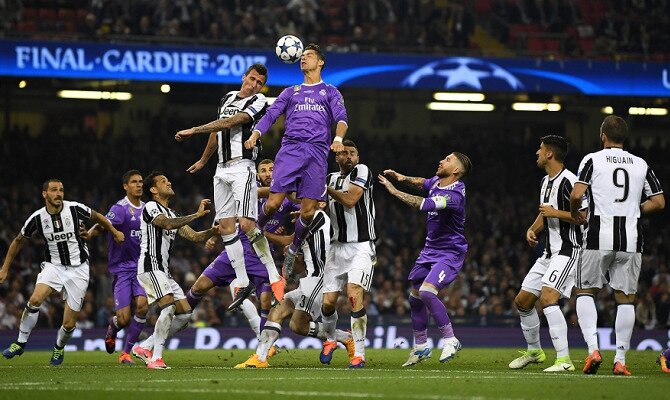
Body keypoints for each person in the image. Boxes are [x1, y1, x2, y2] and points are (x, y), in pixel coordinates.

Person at [174, 63, 286, 309]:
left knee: (246, 224)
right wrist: (204, 160)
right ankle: (243, 281)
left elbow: (231, 122)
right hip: (221, 168)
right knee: (225, 227)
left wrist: (194, 130)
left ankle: (274, 274)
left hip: (243, 166)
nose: (254, 84)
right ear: (244, 76)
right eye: (252, 79)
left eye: (259, 82)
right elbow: (217, 132)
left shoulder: (259, 101)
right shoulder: (227, 97)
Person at [570, 115, 664, 376]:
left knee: (585, 291)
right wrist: (635, 210)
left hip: (598, 237)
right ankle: (620, 360)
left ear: (602, 136)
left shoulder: (592, 159)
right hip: (631, 241)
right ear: (625, 138)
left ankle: (593, 350)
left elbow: (577, 194)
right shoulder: (641, 163)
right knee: (625, 300)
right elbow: (659, 201)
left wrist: (576, 212)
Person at [244, 44, 348, 277]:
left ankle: (292, 249)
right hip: (291, 149)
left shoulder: (330, 91)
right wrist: (255, 133)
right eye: (301, 57)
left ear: (320, 62)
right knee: (271, 204)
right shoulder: (291, 92)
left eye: (308, 56)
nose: (303, 59)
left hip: (318, 151)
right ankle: (255, 233)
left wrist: (339, 138)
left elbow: (341, 117)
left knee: (309, 212)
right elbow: (271, 114)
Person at [0, 179, 125, 366]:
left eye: (61, 190)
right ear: (45, 194)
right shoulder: (37, 218)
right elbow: (18, 241)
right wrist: (5, 268)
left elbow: (98, 216)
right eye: (53, 190)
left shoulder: (75, 208)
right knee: (35, 300)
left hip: (79, 269)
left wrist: (114, 231)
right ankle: (20, 343)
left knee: (68, 324)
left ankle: (59, 347)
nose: (58, 194)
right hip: (54, 266)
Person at [378, 151, 472, 367]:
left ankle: (450, 340)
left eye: (448, 160)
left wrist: (395, 190)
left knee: (427, 291)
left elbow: (425, 205)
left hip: (450, 251)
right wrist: (403, 178)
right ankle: (421, 347)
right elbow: (424, 183)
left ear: (456, 171)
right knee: (415, 297)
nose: (441, 160)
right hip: (430, 250)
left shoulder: (454, 196)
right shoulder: (438, 182)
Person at [235, 208, 355, 368]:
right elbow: (299, 267)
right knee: (278, 312)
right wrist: (290, 254)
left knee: (297, 325)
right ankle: (260, 358)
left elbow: (289, 241)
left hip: (321, 279)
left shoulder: (318, 217)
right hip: (308, 279)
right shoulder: (305, 224)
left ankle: (343, 337)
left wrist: (260, 233)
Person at [508, 136, 585, 372]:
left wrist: (554, 212)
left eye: (540, 149)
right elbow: (545, 213)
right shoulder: (545, 181)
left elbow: (583, 217)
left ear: (550, 153)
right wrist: (533, 228)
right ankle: (535, 351)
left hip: (568, 250)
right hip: (549, 253)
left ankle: (564, 360)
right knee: (522, 301)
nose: (536, 153)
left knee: (548, 297)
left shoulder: (570, 181)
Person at [133, 171, 218, 369]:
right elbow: (165, 224)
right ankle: (156, 358)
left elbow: (195, 237)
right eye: (163, 181)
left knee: (185, 314)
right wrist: (196, 215)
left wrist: (212, 232)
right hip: (150, 266)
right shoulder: (151, 207)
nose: (169, 182)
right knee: (169, 306)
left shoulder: (172, 213)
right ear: (153, 190)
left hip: (163, 270)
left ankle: (144, 347)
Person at [319, 140, 376, 368]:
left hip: (361, 245)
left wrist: (324, 190)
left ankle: (359, 353)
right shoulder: (330, 178)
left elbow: (351, 200)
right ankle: (331, 340)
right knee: (327, 304)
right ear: (337, 158)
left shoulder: (362, 171)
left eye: (353, 153)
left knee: (353, 294)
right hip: (334, 247)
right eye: (345, 153)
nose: (350, 156)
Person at [85, 170, 148, 364]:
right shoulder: (120, 208)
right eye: (134, 182)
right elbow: (102, 224)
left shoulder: (148, 208)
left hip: (141, 268)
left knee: (143, 307)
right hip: (122, 269)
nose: (139, 185)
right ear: (125, 186)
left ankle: (126, 352)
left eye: (141, 182)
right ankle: (113, 328)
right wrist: (89, 234)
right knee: (123, 319)